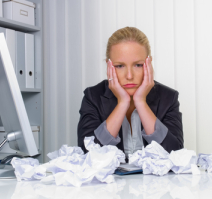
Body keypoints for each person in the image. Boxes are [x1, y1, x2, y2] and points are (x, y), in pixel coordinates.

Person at [77, 27, 183, 158]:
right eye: (119, 66)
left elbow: (176, 156)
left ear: (148, 64)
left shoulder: (168, 98)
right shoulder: (92, 97)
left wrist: (141, 102)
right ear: (108, 65)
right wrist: (122, 103)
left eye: (138, 65)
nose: (129, 75)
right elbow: (87, 154)